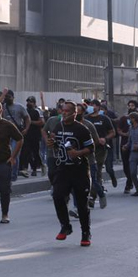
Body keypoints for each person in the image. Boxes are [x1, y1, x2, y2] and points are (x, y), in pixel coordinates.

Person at [47, 101, 93, 246]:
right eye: (63, 110)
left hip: (79, 170)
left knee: (81, 204)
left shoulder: (82, 129)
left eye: (67, 111)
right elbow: (54, 140)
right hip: (62, 169)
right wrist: (51, 143)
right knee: (57, 195)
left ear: (75, 113)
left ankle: (86, 232)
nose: (64, 113)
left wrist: (78, 153)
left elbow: (91, 148)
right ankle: (65, 226)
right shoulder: (58, 126)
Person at [85, 99, 116, 197]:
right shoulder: (85, 119)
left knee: (97, 170)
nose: (92, 107)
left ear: (99, 107)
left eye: (94, 105)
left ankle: (93, 195)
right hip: (88, 148)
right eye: (91, 105)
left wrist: (105, 139)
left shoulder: (104, 119)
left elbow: (112, 132)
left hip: (100, 149)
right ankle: (94, 189)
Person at [1, 89, 30, 181]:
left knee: (14, 154)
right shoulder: (2, 107)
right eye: (6, 97)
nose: (7, 99)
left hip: (16, 134)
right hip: (5, 135)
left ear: (13, 97)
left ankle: (13, 174)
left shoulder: (19, 107)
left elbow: (27, 118)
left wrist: (26, 129)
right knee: (4, 154)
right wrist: (3, 95)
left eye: (9, 97)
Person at [20, 96, 44, 177]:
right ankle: (26, 168)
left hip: (35, 135)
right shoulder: (25, 111)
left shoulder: (37, 111)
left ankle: (36, 168)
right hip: (27, 135)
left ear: (34, 103)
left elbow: (41, 122)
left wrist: (30, 122)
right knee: (26, 152)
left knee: (35, 152)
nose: (28, 103)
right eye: (27, 102)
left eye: (30, 102)